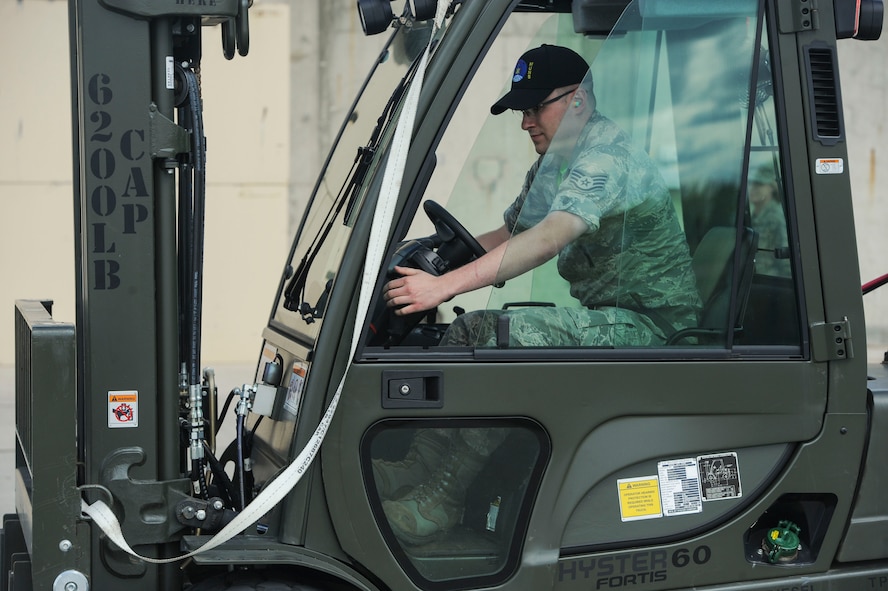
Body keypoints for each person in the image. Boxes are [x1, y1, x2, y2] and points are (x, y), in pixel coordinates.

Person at [377, 44, 702, 545]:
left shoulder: (605, 157)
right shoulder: (557, 161)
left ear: (578, 100)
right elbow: (511, 234)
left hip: (653, 330)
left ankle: (443, 500)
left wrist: (441, 286)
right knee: (466, 328)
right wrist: (426, 258)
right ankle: (418, 468)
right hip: (613, 320)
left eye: (535, 107)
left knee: (500, 337)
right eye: (521, 110)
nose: (525, 121)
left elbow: (550, 236)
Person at [748, 164, 790, 277]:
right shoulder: (751, 216)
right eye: (751, 183)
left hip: (768, 281)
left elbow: (786, 261)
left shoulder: (775, 217)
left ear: (771, 187)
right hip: (751, 279)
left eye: (759, 184)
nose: (753, 188)